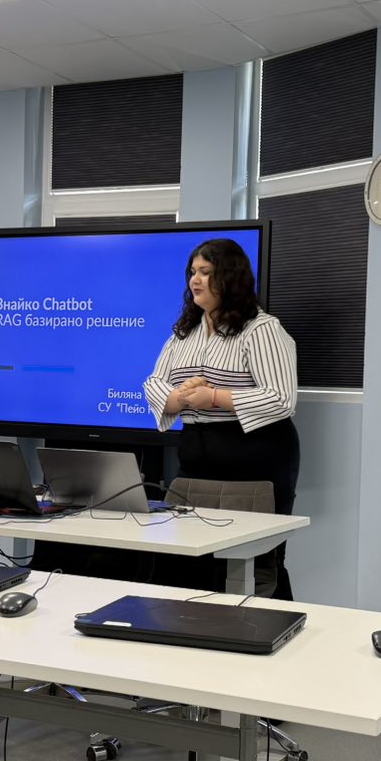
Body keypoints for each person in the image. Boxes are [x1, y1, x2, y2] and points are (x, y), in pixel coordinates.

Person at [142, 238, 300, 601]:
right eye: (192, 272)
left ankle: (269, 625)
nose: (195, 280)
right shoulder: (185, 332)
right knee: (191, 560)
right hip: (196, 459)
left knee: (256, 563)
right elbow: (154, 382)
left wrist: (214, 397)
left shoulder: (262, 329)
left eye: (205, 272)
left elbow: (281, 398)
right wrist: (180, 397)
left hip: (255, 458)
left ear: (229, 277)